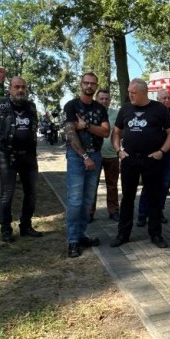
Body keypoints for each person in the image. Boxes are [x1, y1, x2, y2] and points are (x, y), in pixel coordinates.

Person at [110, 79, 170, 249]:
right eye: (129, 92)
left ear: (143, 92)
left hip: (151, 159)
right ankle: (123, 234)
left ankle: (156, 234)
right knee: (127, 198)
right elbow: (116, 132)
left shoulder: (159, 109)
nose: (130, 95)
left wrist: (162, 151)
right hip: (129, 160)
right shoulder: (125, 109)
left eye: (133, 93)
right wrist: (119, 151)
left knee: (154, 198)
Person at [63, 72, 110, 258]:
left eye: (93, 83)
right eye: (86, 83)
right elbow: (70, 133)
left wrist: (86, 125)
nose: (89, 86)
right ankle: (73, 241)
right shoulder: (71, 106)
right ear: (80, 84)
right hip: (77, 157)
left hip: (96, 155)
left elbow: (105, 132)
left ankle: (81, 235)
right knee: (75, 200)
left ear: (96, 86)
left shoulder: (100, 108)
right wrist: (84, 156)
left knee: (88, 200)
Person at [0, 76, 43, 243]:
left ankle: (26, 226)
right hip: (6, 156)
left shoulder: (31, 106)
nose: (20, 90)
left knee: (32, 193)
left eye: (23, 87)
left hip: (28, 156)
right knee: (7, 194)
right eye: (16, 87)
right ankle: (6, 230)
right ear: (10, 89)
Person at [137, 88, 170, 227]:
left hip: (168, 152)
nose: (166, 100)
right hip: (152, 152)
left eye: (168, 98)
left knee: (164, 185)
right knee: (149, 184)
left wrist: (162, 123)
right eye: (163, 98)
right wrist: (167, 123)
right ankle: (142, 214)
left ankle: (158, 212)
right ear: (157, 99)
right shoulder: (151, 110)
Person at [90, 89, 120, 222]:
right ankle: (89, 212)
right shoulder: (91, 113)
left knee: (112, 185)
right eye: (101, 98)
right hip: (95, 155)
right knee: (92, 185)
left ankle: (113, 211)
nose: (104, 101)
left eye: (106, 99)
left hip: (112, 155)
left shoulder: (116, 114)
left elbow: (120, 132)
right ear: (96, 99)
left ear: (110, 100)